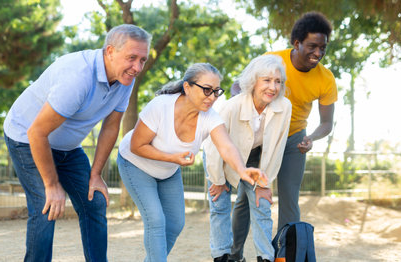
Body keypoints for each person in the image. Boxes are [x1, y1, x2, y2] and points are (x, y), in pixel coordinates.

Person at [3, 24, 152, 262]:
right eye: (132, 58)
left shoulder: (125, 78)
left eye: (142, 60)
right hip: (26, 137)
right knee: (46, 206)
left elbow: (111, 126)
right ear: (110, 51)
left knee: (95, 202)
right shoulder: (78, 76)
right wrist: (52, 185)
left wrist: (95, 174)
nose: (138, 67)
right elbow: (37, 132)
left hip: (67, 148)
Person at [116, 63, 267, 262]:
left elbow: (226, 146)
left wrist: (242, 170)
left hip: (167, 171)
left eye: (216, 92)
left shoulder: (210, 116)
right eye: (207, 90)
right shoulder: (161, 106)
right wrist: (172, 158)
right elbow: (137, 146)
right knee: (156, 219)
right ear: (187, 87)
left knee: (176, 223)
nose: (212, 97)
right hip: (135, 163)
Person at [229, 11, 337, 261]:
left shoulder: (326, 79)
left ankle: (285, 256)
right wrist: (239, 106)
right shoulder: (271, 59)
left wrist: (311, 137)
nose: (318, 53)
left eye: (323, 48)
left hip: (293, 140)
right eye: (312, 46)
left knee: (289, 200)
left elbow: (327, 123)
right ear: (297, 43)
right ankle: (234, 255)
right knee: (246, 200)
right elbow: (239, 85)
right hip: (258, 138)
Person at [203, 55, 292, 262]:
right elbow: (213, 146)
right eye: (267, 80)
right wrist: (217, 180)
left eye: (278, 81)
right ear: (254, 81)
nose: (273, 87)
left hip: (255, 158)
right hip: (221, 156)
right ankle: (222, 256)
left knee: (262, 205)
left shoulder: (284, 106)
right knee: (220, 205)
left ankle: (265, 257)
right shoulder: (232, 106)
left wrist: (264, 182)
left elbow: (276, 148)